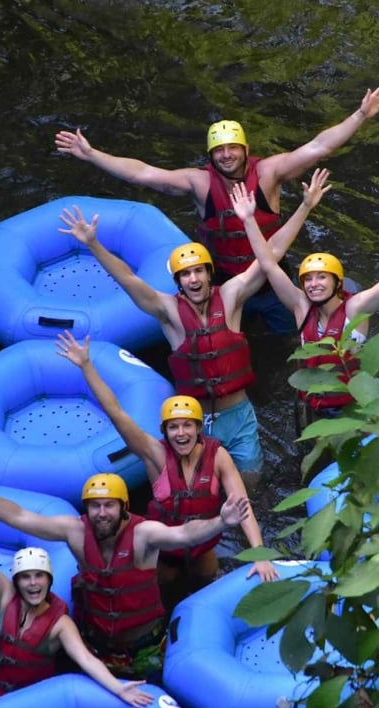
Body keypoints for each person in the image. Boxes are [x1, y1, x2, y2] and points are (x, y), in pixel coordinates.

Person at [56, 168, 332, 484]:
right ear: (178, 281)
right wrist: (94, 244)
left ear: (209, 274)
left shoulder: (231, 296)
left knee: (251, 488)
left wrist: (305, 206)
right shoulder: (167, 311)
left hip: (239, 416)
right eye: (186, 274)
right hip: (195, 422)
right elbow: (128, 279)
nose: (194, 278)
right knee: (200, 494)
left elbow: (272, 254)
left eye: (199, 271)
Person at [53, 86, 379, 331]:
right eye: (219, 151)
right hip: (226, 284)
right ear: (210, 155)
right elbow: (144, 174)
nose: (226, 155)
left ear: (245, 149)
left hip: (272, 280)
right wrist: (92, 154)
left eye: (232, 149)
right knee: (229, 337)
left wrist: (361, 114)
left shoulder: (269, 173)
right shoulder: (199, 183)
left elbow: (318, 146)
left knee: (290, 334)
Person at [0, 456, 250, 679]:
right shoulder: (74, 530)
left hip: (142, 646)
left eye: (109, 505)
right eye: (95, 506)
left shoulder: (143, 534)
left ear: (123, 507)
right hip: (93, 642)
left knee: (150, 693)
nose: (101, 513)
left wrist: (221, 521)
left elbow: (183, 534)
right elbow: (19, 516)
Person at [54, 331, 278, 597]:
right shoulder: (153, 453)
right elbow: (115, 411)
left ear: (198, 428)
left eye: (187, 426)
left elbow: (242, 506)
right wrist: (86, 366)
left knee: (208, 581)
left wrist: (260, 555)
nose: (180, 433)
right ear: (164, 431)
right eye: (173, 427)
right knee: (162, 590)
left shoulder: (218, 456)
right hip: (164, 551)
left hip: (202, 546)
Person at [234, 180, 379, 425]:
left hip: (349, 409)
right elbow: (268, 264)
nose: (314, 284)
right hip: (309, 404)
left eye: (322, 277)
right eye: (308, 279)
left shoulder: (356, 308)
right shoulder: (301, 306)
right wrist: (248, 219)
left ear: (337, 283)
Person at [0, 471, 154, 708]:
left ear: (49, 580)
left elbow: (86, 659)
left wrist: (119, 688)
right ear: (16, 581)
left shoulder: (60, 624)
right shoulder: (6, 596)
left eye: (39, 576)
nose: (33, 584)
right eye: (26, 578)